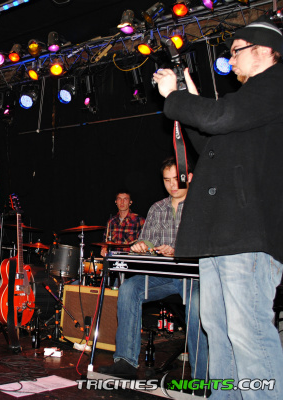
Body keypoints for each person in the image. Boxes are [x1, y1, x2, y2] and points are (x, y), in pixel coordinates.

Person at [153, 17, 283, 399]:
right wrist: (189, 100)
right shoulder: (250, 103)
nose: (231, 59)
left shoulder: (276, 84)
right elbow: (210, 139)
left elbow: (219, 117)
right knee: (218, 328)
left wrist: (174, 98)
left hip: (248, 232)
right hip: (220, 232)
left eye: (236, 51)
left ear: (264, 51)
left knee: (248, 331)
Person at [98, 157, 208, 381]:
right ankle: (125, 362)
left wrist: (178, 251)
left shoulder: (203, 205)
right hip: (162, 276)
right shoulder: (157, 208)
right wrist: (142, 246)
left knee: (197, 303)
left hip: (195, 278)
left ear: (189, 177)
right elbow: (148, 240)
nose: (172, 185)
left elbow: (209, 244)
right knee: (128, 289)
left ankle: (201, 376)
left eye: (176, 179)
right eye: (167, 180)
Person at [100, 190, 145, 257]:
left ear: (130, 202)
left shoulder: (139, 220)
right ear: (116, 202)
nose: (122, 202)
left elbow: (146, 241)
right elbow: (105, 241)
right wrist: (104, 248)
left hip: (131, 258)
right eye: (119, 199)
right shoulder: (111, 221)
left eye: (125, 199)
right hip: (114, 258)